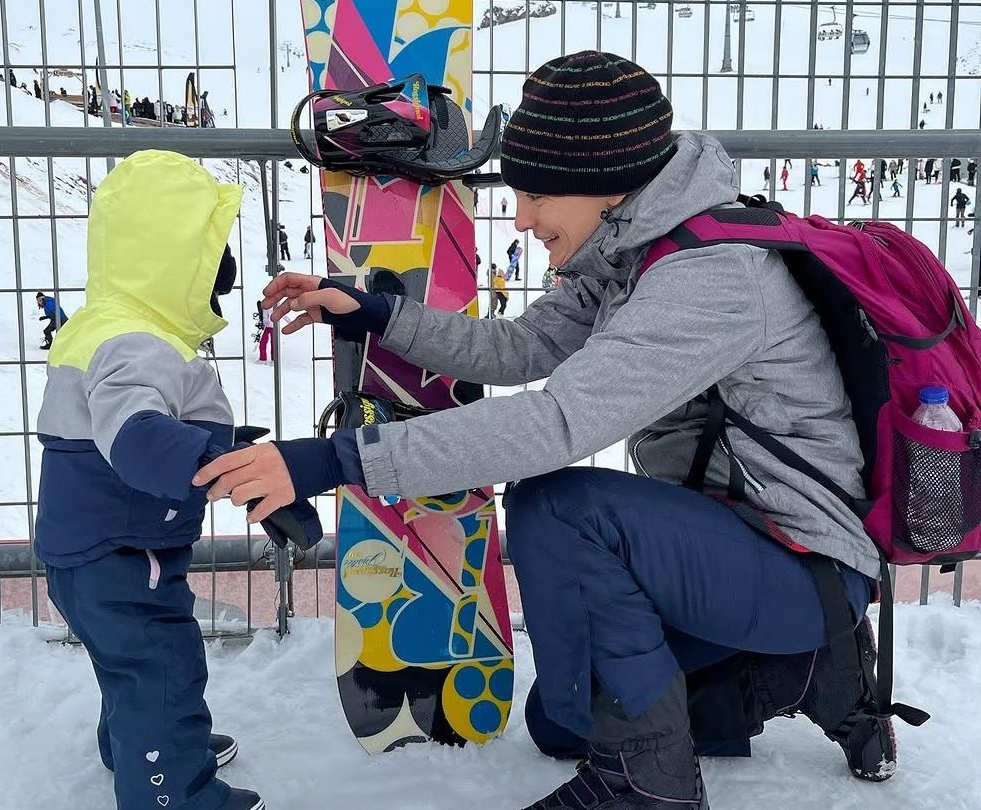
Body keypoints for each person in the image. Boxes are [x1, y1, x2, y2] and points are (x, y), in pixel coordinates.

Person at [197, 52, 890, 809]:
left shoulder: (711, 276)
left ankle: (646, 788)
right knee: (562, 720)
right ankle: (812, 669)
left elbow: (556, 422)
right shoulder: (635, 247)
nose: (522, 219)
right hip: (734, 549)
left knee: (555, 507)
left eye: (535, 195)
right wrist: (374, 311)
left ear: (606, 182)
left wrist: (331, 460)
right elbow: (517, 348)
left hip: (796, 559)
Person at [32, 151, 264, 810]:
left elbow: (131, 421)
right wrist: (215, 462)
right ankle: (170, 785)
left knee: (128, 665)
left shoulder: (109, 326)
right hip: (123, 555)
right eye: (207, 269)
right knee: (162, 666)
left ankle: (139, 743)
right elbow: (134, 436)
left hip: (94, 551)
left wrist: (216, 442)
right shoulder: (138, 342)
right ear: (176, 266)